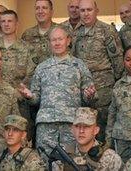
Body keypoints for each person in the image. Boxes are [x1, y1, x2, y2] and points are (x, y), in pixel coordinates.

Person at [18, 27, 96, 158]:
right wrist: (30, 96)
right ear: (49, 43)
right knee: (44, 161)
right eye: (53, 40)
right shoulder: (42, 67)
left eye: (60, 39)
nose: (57, 43)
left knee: (71, 162)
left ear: (68, 40)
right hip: (46, 124)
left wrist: (89, 95)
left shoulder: (79, 65)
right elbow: (36, 99)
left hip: (71, 124)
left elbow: (89, 95)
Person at [72, 0, 124, 142]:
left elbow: (118, 61)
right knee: (85, 131)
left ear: (96, 11)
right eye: (82, 10)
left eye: (89, 10)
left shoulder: (107, 30)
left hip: (104, 91)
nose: (86, 13)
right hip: (84, 90)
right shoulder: (76, 32)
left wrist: (115, 84)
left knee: (104, 129)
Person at [0, 10, 36, 143]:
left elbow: (32, 75)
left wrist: (18, 92)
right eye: (3, 21)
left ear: (17, 24)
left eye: (10, 21)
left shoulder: (27, 48)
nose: (6, 24)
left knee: (20, 141)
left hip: (19, 104)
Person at [54, 107, 124, 170]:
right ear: (72, 130)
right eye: (77, 126)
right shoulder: (62, 155)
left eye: (86, 126)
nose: (81, 131)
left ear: (96, 130)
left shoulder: (110, 158)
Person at [21, 0, 58, 66]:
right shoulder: (27, 34)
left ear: (51, 12)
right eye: (37, 8)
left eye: (44, 8)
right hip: (33, 75)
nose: (40, 11)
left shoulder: (62, 32)